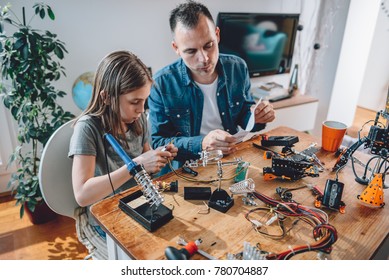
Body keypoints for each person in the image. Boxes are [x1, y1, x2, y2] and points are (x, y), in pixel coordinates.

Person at [68, 50, 177, 256]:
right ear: (106, 97)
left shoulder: (139, 120)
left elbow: (146, 171)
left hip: (138, 206)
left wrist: (157, 157)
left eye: (144, 100)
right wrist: (137, 164)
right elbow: (82, 195)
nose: (141, 109)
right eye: (134, 102)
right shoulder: (88, 128)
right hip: (105, 219)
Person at [148, 0, 275, 169]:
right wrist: (202, 143)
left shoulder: (237, 67)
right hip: (188, 168)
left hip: (232, 157)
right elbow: (158, 142)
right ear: (176, 48)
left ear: (217, 34)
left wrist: (257, 117)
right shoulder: (161, 84)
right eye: (191, 51)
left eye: (209, 45)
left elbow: (245, 113)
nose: (204, 58)